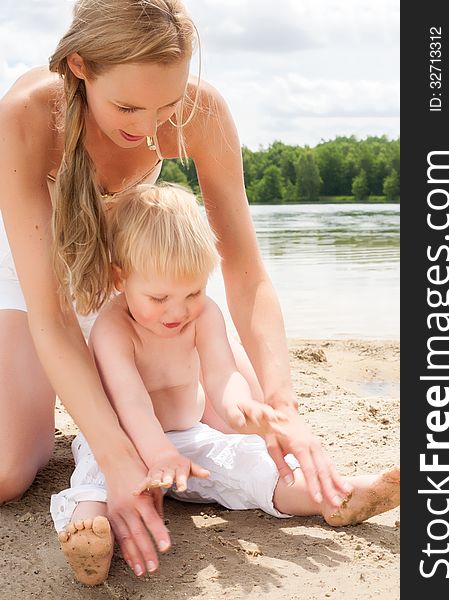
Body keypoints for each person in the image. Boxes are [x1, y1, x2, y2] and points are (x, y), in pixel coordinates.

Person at [0, 0, 384, 578]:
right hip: (32, 269)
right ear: (80, 67)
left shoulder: (201, 114)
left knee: (243, 425)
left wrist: (283, 406)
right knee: (8, 470)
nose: (148, 127)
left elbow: (247, 274)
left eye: (166, 105)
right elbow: (53, 318)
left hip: (136, 276)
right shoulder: (27, 114)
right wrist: (117, 457)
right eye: (127, 106)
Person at [49, 183, 400, 585]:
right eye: (159, 297)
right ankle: (90, 536)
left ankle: (341, 496)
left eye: (193, 292)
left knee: (254, 465)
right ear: (119, 277)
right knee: (94, 479)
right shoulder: (113, 328)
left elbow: (221, 374)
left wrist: (241, 409)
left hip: (190, 437)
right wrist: (159, 454)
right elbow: (130, 403)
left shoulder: (204, 314)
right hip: (122, 441)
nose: (177, 311)